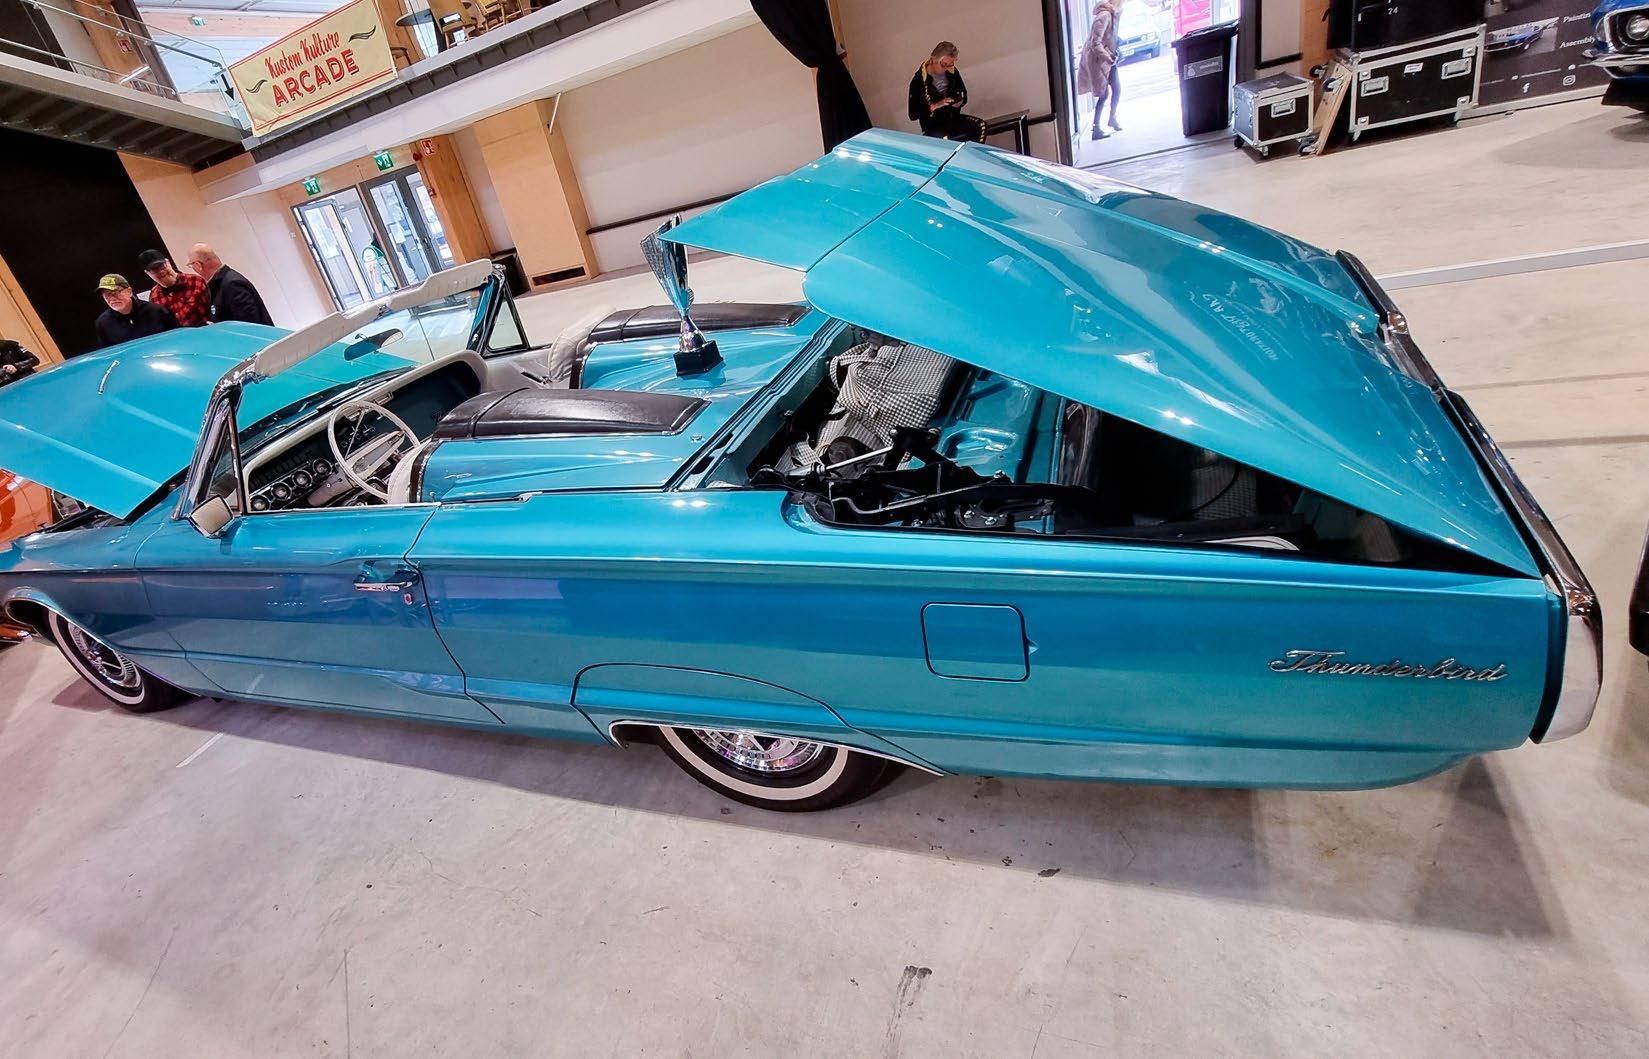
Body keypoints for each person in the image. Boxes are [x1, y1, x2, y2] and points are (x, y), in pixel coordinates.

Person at [908, 42, 986, 142]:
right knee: (945, 138)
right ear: (933, 59)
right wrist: (936, 105)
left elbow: (963, 93)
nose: (946, 68)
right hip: (933, 125)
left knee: (980, 126)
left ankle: (972, 152)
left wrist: (959, 102)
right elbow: (913, 114)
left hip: (953, 118)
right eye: (944, 64)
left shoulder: (952, 72)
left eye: (950, 65)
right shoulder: (918, 81)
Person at [187, 243, 273, 326]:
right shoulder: (220, 284)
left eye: (191, 265)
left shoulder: (232, 285)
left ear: (198, 265)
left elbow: (249, 325)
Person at [1077, 0, 1122, 140]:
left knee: (1116, 89)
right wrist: (1108, 57)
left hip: (1108, 59)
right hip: (1100, 61)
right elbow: (1095, 43)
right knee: (1104, 94)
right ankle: (1096, 128)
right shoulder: (1105, 15)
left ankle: (1111, 118)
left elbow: (1110, 37)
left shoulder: (1112, 14)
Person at [93, 274, 178, 348]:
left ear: (129, 291)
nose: (112, 298)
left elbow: (178, 338)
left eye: (115, 292)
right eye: (106, 295)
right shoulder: (103, 323)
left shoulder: (157, 311)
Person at [138, 249, 210, 327]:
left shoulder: (195, 281)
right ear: (147, 273)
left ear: (168, 262)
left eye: (161, 266)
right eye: (154, 269)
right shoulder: (154, 297)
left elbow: (212, 311)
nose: (161, 271)